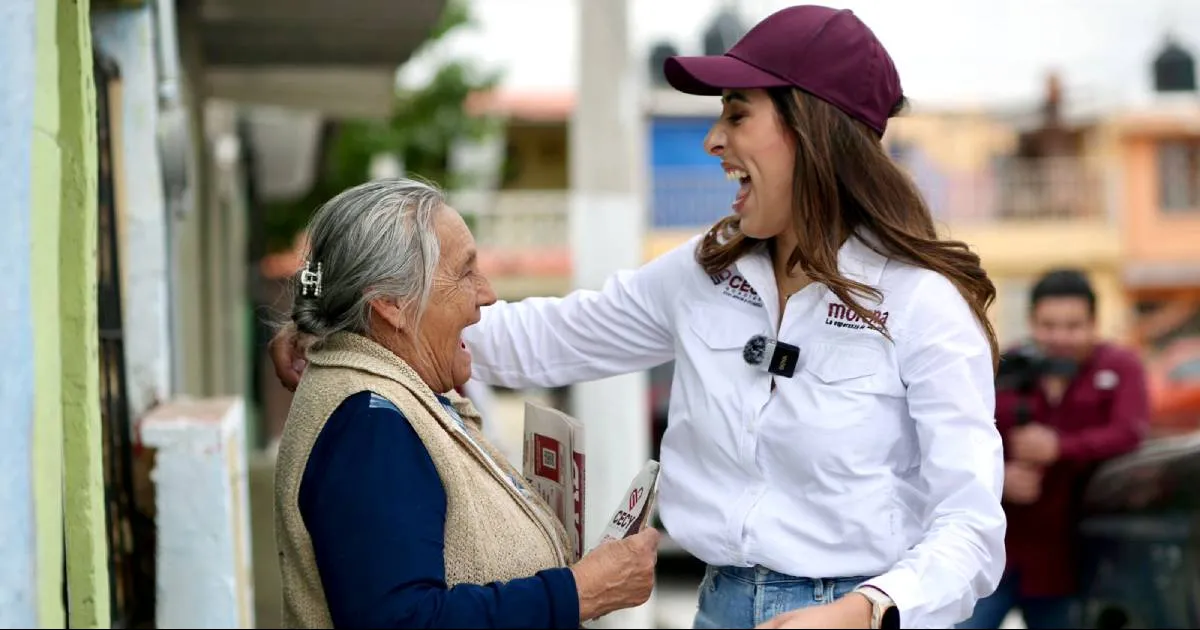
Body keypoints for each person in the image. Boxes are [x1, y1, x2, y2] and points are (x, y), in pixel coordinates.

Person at [273, 5, 1007, 629]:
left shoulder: (922, 304)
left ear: (811, 132)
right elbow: (545, 339)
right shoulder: (703, 274)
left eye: (737, 115)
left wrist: (863, 609)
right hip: (719, 606)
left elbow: (972, 529)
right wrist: (342, 328)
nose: (713, 141)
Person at [273, 179, 660, 629]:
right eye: (465, 271)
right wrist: (581, 592)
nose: (487, 294)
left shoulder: (383, 394)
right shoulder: (371, 424)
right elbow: (402, 621)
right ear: (391, 304)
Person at [958, 270, 1149, 629]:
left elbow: (1129, 433)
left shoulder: (1121, 366)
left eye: (1073, 326)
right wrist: (999, 476)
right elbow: (963, 436)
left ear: (1094, 323)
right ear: (1031, 322)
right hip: (996, 553)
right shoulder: (1005, 366)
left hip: (1073, 560)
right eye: (1048, 325)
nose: (1060, 337)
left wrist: (1060, 447)